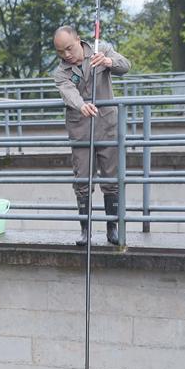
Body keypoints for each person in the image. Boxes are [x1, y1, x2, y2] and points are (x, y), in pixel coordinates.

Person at [52, 26, 130, 246]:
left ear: (79, 40)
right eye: (60, 52)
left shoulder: (101, 48)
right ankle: (85, 230)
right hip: (80, 129)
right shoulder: (60, 72)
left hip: (107, 125)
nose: (66, 55)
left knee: (111, 178)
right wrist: (81, 105)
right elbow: (69, 93)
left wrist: (107, 62)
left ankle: (112, 228)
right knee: (82, 180)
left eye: (69, 48)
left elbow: (125, 66)